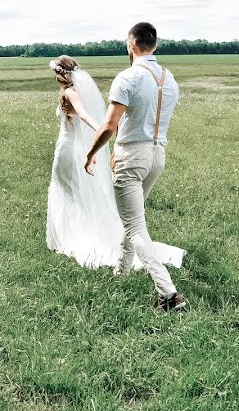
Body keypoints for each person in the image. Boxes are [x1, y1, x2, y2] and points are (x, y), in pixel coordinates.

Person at [46, 54, 184, 275]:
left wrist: (102, 130)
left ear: (59, 74)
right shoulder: (73, 91)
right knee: (69, 192)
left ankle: (76, 236)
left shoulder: (71, 92)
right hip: (67, 147)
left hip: (68, 149)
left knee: (69, 193)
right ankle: (72, 233)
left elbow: (84, 115)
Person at [84, 22, 187, 312]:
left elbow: (109, 125)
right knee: (134, 221)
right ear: (154, 45)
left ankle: (168, 294)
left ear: (131, 44)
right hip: (157, 156)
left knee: (135, 226)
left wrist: (91, 153)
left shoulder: (127, 77)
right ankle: (122, 270)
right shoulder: (170, 79)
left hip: (131, 156)